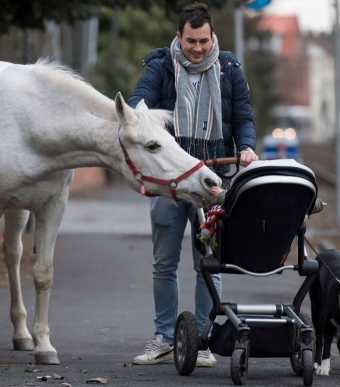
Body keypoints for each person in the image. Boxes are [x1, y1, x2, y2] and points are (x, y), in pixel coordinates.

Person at [127, 2, 259, 367]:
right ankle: (165, 338)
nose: (197, 48)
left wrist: (246, 146)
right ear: (178, 37)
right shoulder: (160, 66)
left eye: (203, 41)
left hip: (214, 180)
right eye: (190, 41)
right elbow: (140, 102)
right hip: (170, 181)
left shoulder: (229, 68)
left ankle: (202, 341)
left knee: (210, 264)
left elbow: (244, 116)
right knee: (163, 263)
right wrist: (136, 115)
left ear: (212, 36)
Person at [211, 186, 327, 214]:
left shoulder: (253, 201)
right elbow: (302, 206)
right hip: (278, 253)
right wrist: (318, 204)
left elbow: (236, 203)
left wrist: (221, 195)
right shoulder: (288, 205)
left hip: (246, 251)